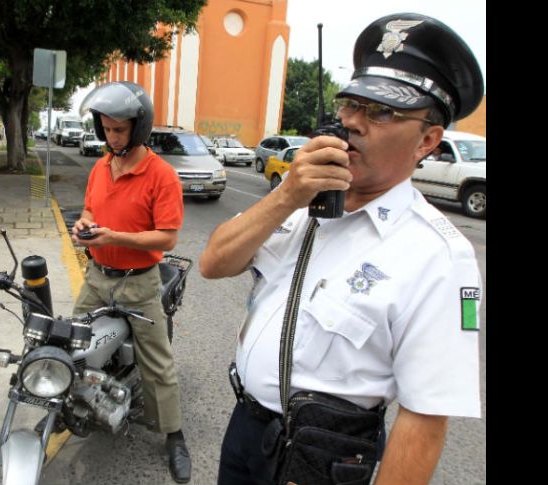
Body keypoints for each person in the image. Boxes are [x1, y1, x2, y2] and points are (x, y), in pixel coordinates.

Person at [199, 13, 483, 485]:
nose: (353, 122)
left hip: (321, 456)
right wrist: (288, 195)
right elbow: (214, 263)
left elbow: (425, 418)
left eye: (382, 112)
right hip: (246, 429)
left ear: (428, 141)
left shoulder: (437, 254)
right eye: (351, 104)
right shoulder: (298, 199)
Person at [71, 81, 191, 483]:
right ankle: (74, 406)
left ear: (138, 129)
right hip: (97, 277)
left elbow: (167, 237)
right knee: (71, 346)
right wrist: (85, 224)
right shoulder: (101, 165)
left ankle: (173, 435)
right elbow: (90, 207)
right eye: (106, 129)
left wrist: (115, 237)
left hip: (139, 284)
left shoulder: (161, 175)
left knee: (157, 363)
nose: (111, 136)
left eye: (119, 130)